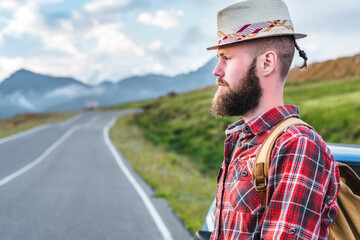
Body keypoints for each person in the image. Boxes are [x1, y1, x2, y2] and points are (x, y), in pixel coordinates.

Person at [207, 0, 340, 239]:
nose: (217, 70)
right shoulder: (244, 140)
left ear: (266, 63)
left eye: (226, 58)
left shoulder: (297, 145)